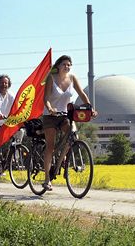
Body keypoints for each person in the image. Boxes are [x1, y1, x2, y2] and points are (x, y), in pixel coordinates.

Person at [42, 55, 98, 191]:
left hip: (65, 115)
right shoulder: (51, 79)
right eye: (64, 64)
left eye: (69, 65)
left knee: (72, 137)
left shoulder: (72, 78)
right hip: (51, 116)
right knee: (50, 146)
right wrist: (50, 109)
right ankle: (47, 179)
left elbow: (82, 94)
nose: (67, 67)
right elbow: (46, 98)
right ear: (58, 66)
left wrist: (90, 108)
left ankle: (63, 161)